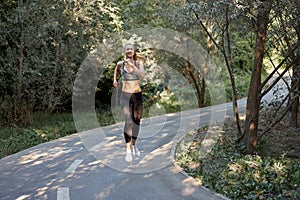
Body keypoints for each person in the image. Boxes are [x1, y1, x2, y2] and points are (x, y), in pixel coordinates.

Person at [113, 43, 145, 162]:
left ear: (134, 51)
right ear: (125, 51)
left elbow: (142, 76)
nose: (130, 51)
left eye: (131, 49)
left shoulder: (138, 63)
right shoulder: (120, 64)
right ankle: (127, 150)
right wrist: (115, 80)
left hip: (137, 96)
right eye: (127, 49)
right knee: (128, 121)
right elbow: (116, 71)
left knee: (136, 121)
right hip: (125, 95)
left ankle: (134, 145)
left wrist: (133, 66)